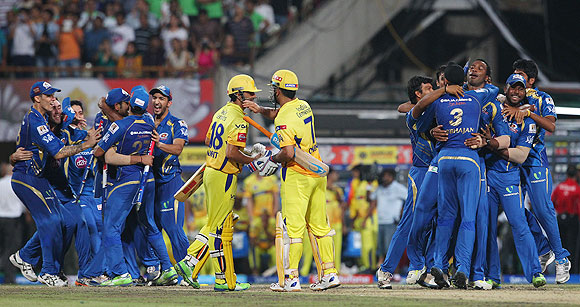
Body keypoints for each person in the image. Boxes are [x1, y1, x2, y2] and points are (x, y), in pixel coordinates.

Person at [243, 69, 341, 291]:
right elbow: (280, 114)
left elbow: (287, 152)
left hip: (297, 175)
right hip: (316, 171)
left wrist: (272, 159)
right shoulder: (303, 105)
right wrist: (260, 110)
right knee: (320, 227)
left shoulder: (284, 118)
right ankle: (330, 274)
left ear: (278, 90)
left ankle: (291, 279)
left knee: (293, 231)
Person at [174, 74, 266, 291]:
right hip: (224, 175)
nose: (253, 96)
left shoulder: (221, 112)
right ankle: (220, 278)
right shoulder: (239, 119)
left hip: (210, 172)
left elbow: (208, 140)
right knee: (219, 228)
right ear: (238, 95)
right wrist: (253, 158)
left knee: (213, 224)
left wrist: (240, 152)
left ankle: (192, 265)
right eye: (250, 93)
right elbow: (233, 152)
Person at [411, 63, 494, 289]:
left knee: (446, 217)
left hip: (445, 159)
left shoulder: (438, 101)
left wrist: (432, 129)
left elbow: (416, 113)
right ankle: (463, 269)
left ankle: (438, 263)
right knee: (468, 217)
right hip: (469, 159)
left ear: (444, 81)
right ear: (464, 81)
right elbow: (495, 94)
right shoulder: (479, 98)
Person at [10, 81, 99, 286]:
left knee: (61, 222)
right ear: (37, 98)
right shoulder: (37, 121)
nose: (53, 101)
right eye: (50, 97)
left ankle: (28, 258)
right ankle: (48, 271)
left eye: (56, 98)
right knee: (51, 222)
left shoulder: (49, 123)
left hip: (38, 178)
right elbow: (58, 151)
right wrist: (86, 143)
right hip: (28, 177)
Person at [467, 73, 547, 288]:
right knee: (488, 228)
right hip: (487, 176)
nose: (516, 92)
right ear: (506, 89)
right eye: (513, 88)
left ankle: (535, 273)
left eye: (520, 89)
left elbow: (520, 156)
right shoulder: (493, 108)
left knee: (519, 223)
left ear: (524, 92)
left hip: (509, 178)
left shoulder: (528, 121)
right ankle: (493, 277)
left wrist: (490, 144)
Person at [93, 89, 177, 286]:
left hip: (126, 180)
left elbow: (100, 152)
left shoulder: (120, 125)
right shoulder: (150, 123)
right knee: (149, 224)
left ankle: (120, 273)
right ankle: (167, 268)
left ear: (129, 105)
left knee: (111, 228)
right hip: (148, 179)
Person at [504, 58, 571, 284]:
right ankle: (543, 249)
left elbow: (551, 125)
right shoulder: (507, 97)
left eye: (520, 76)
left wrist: (529, 113)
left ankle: (561, 258)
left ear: (531, 80)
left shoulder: (543, 98)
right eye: (513, 77)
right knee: (513, 210)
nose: (516, 83)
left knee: (543, 208)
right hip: (512, 160)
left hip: (534, 160)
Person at [376, 76, 436, 289]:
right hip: (420, 173)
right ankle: (386, 270)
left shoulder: (437, 108)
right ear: (419, 94)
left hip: (439, 172)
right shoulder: (414, 113)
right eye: (430, 88)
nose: (435, 89)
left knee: (435, 224)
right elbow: (405, 107)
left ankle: (423, 270)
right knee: (409, 222)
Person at [149, 85, 190, 275]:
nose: (157, 102)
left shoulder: (177, 123)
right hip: (150, 186)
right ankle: (159, 272)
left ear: (169, 102)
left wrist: (159, 144)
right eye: (154, 98)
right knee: (151, 230)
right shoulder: (146, 123)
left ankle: (188, 273)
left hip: (171, 183)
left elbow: (178, 149)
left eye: (161, 98)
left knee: (174, 229)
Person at [0, 163, 26, 284]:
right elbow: (23, 201)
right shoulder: (15, 184)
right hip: (13, 219)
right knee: (12, 249)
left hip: (1, 218)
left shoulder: (0, 184)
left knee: (3, 247)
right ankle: (9, 278)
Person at [551, 165, 580, 273]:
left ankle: (561, 271)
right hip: (572, 220)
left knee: (561, 245)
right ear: (576, 175)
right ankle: (572, 272)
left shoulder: (559, 187)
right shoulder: (577, 188)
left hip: (560, 219)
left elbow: (551, 202)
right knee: (573, 246)